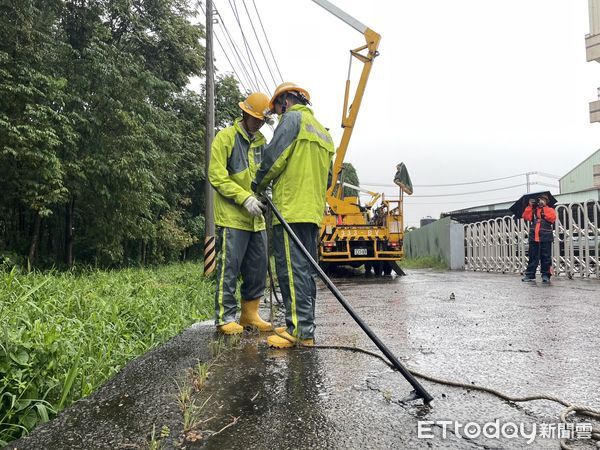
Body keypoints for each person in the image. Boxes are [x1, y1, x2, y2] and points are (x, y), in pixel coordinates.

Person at [252, 82, 335, 348]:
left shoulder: (291, 121)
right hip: (311, 212)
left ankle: (299, 331)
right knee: (305, 271)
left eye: (276, 108)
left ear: (286, 101)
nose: (277, 115)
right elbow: (329, 179)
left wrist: (257, 186)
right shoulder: (323, 132)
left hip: (290, 209)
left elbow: (274, 158)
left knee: (289, 270)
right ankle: (303, 326)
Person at [208, 92, 273, 335]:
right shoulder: (225, 138)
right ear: (245, 113)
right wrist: (243, 197)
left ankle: (249, 314)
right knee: (229, 269)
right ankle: (225, 318)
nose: (258, 124)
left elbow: (265, 177)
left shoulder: (262, 144)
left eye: (262, 121)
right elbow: (216, 176)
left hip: (256, 220)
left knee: (257, 268)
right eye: (256, 118)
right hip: (233, 217)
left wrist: (266, 197)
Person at [521, 193, 557, 283]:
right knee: (532, 256)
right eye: (539, 200)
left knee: (546, 256)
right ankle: (529, 274)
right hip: (534, 236)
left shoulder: (550, 209)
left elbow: (552, 218)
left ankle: (546, 275)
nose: (541, 201)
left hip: (546, 236)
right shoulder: (533, 210)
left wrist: (543, 210)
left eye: (543, 200)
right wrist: (530, 205)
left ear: (546, 201)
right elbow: (526, 216)